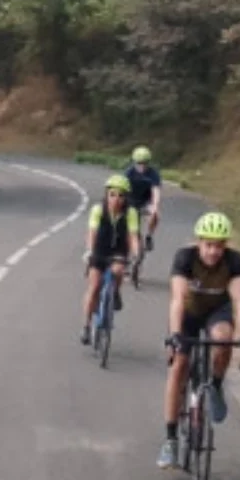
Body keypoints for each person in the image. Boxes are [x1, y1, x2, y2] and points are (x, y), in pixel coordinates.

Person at [159, 211, 240, 469]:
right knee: (179, 365)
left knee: (223, 338)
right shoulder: (185, 258)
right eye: (209, 245)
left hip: (216, 312)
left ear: (226, 246)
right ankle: (170, 440)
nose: (213, 251)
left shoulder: (234, 262)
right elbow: (177, 299)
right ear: (199, 242)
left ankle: (216, 385)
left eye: (220, 245)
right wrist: (175, 335)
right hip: (188, 313)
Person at [81, 174, 141, 345]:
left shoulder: (130, 213)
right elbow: (92, 232)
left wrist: (136, 254)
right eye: (112, 194)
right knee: (93, 287)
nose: (116, 199)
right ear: (106, 194)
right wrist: (90, 251)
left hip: (118, 250)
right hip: (99, 248)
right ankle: (86, 325)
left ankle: (115, 292)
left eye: (121, 195)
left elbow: (133, 236)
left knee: (118, 270)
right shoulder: (98, 209)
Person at [124, 146, 162, 253]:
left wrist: (155, 205)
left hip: (145, 202)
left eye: (145, 163)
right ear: (134, 162)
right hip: (131, 201)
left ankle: (149, 236)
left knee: (156, 214)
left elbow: (156, 191)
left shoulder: (153, 173)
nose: (142, 166)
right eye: (139, 163)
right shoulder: (129, 173)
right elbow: (123, 190)